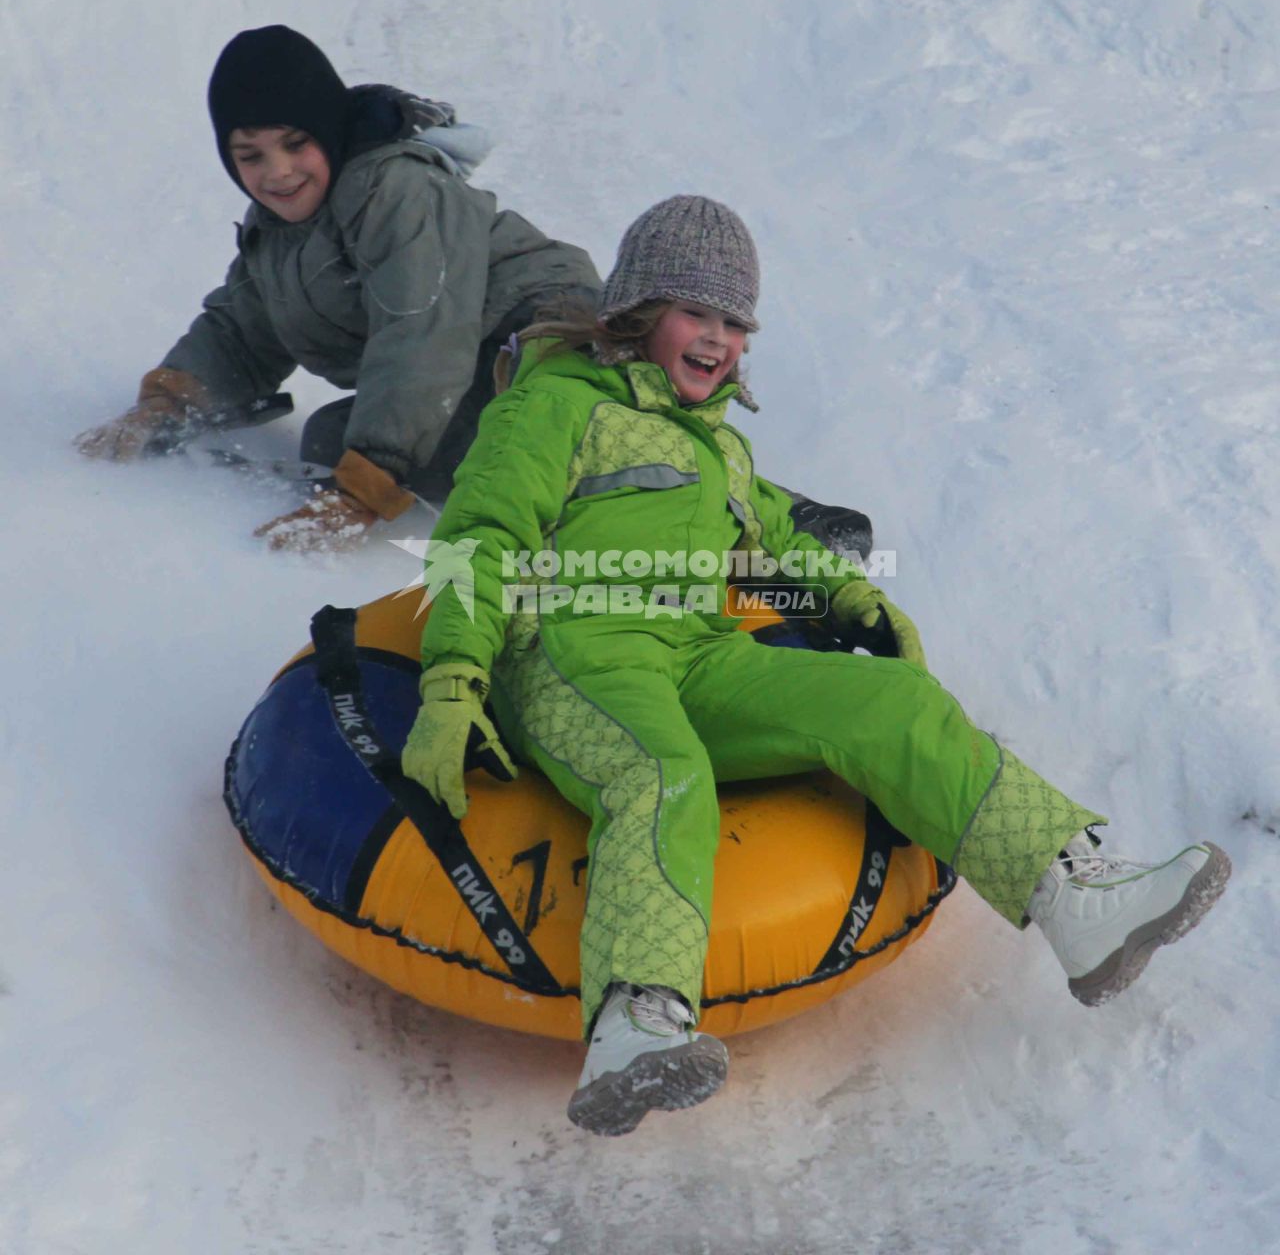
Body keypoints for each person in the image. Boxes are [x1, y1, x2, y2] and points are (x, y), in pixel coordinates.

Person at [398, 195, 1231, 1136]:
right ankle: (635, 1023)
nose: (717, 340)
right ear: (635, 314)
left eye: (734, 322)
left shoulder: (720, 443)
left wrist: (849, 599)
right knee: (662, 773)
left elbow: (774, 541)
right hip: (573, 647)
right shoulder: (553, 405)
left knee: (888, 700)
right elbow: (481, 537)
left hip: (699, 650)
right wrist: (452, 681)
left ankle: (1075, 899)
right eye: (695, 313)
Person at [74, 24, 602, 551]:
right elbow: (242, 329)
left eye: (295, 143)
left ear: (326, 130)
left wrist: (361, 496)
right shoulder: (281, 229)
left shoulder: (395, 189)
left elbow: (422, 335)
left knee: (387, 462)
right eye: (250, 155)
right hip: (472, 366)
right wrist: (169, 401)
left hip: (550, 349)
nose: (277, 171)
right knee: (332, 440)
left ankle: (606, 498)